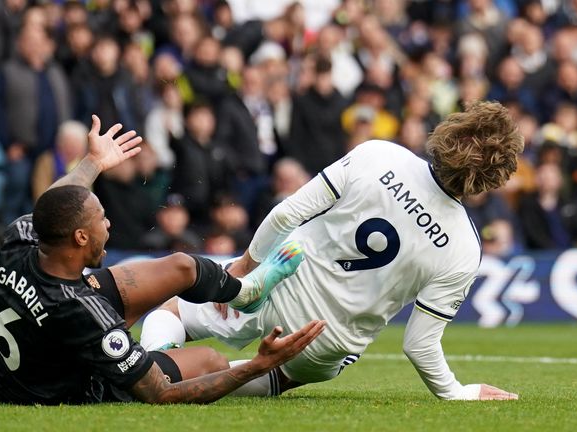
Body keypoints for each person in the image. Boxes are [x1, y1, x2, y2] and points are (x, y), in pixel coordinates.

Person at [142, 101, 522, 400]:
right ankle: (208, 378)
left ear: (449, 129)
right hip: (324, 345)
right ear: (494, 179)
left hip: (279, 280)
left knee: (170, 311)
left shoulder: (380, 155)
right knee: (277, 375)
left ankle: (148, 370)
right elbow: (419, 345)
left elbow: (286, 213)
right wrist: (459, 392)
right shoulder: (464, 248)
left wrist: (242, 270)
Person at [0, 115, 325, 405]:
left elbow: (56, 202)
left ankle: (244, 292)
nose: (109, 223)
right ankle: (151, 352)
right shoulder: (81, 311)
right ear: (81, 237)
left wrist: (94, 162)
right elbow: (160, 394)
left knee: (182, 266)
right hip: (61, 385)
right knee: (211, 360)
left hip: (21, 358)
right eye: (101, 219)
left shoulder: (22, 237)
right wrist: (257, 365)